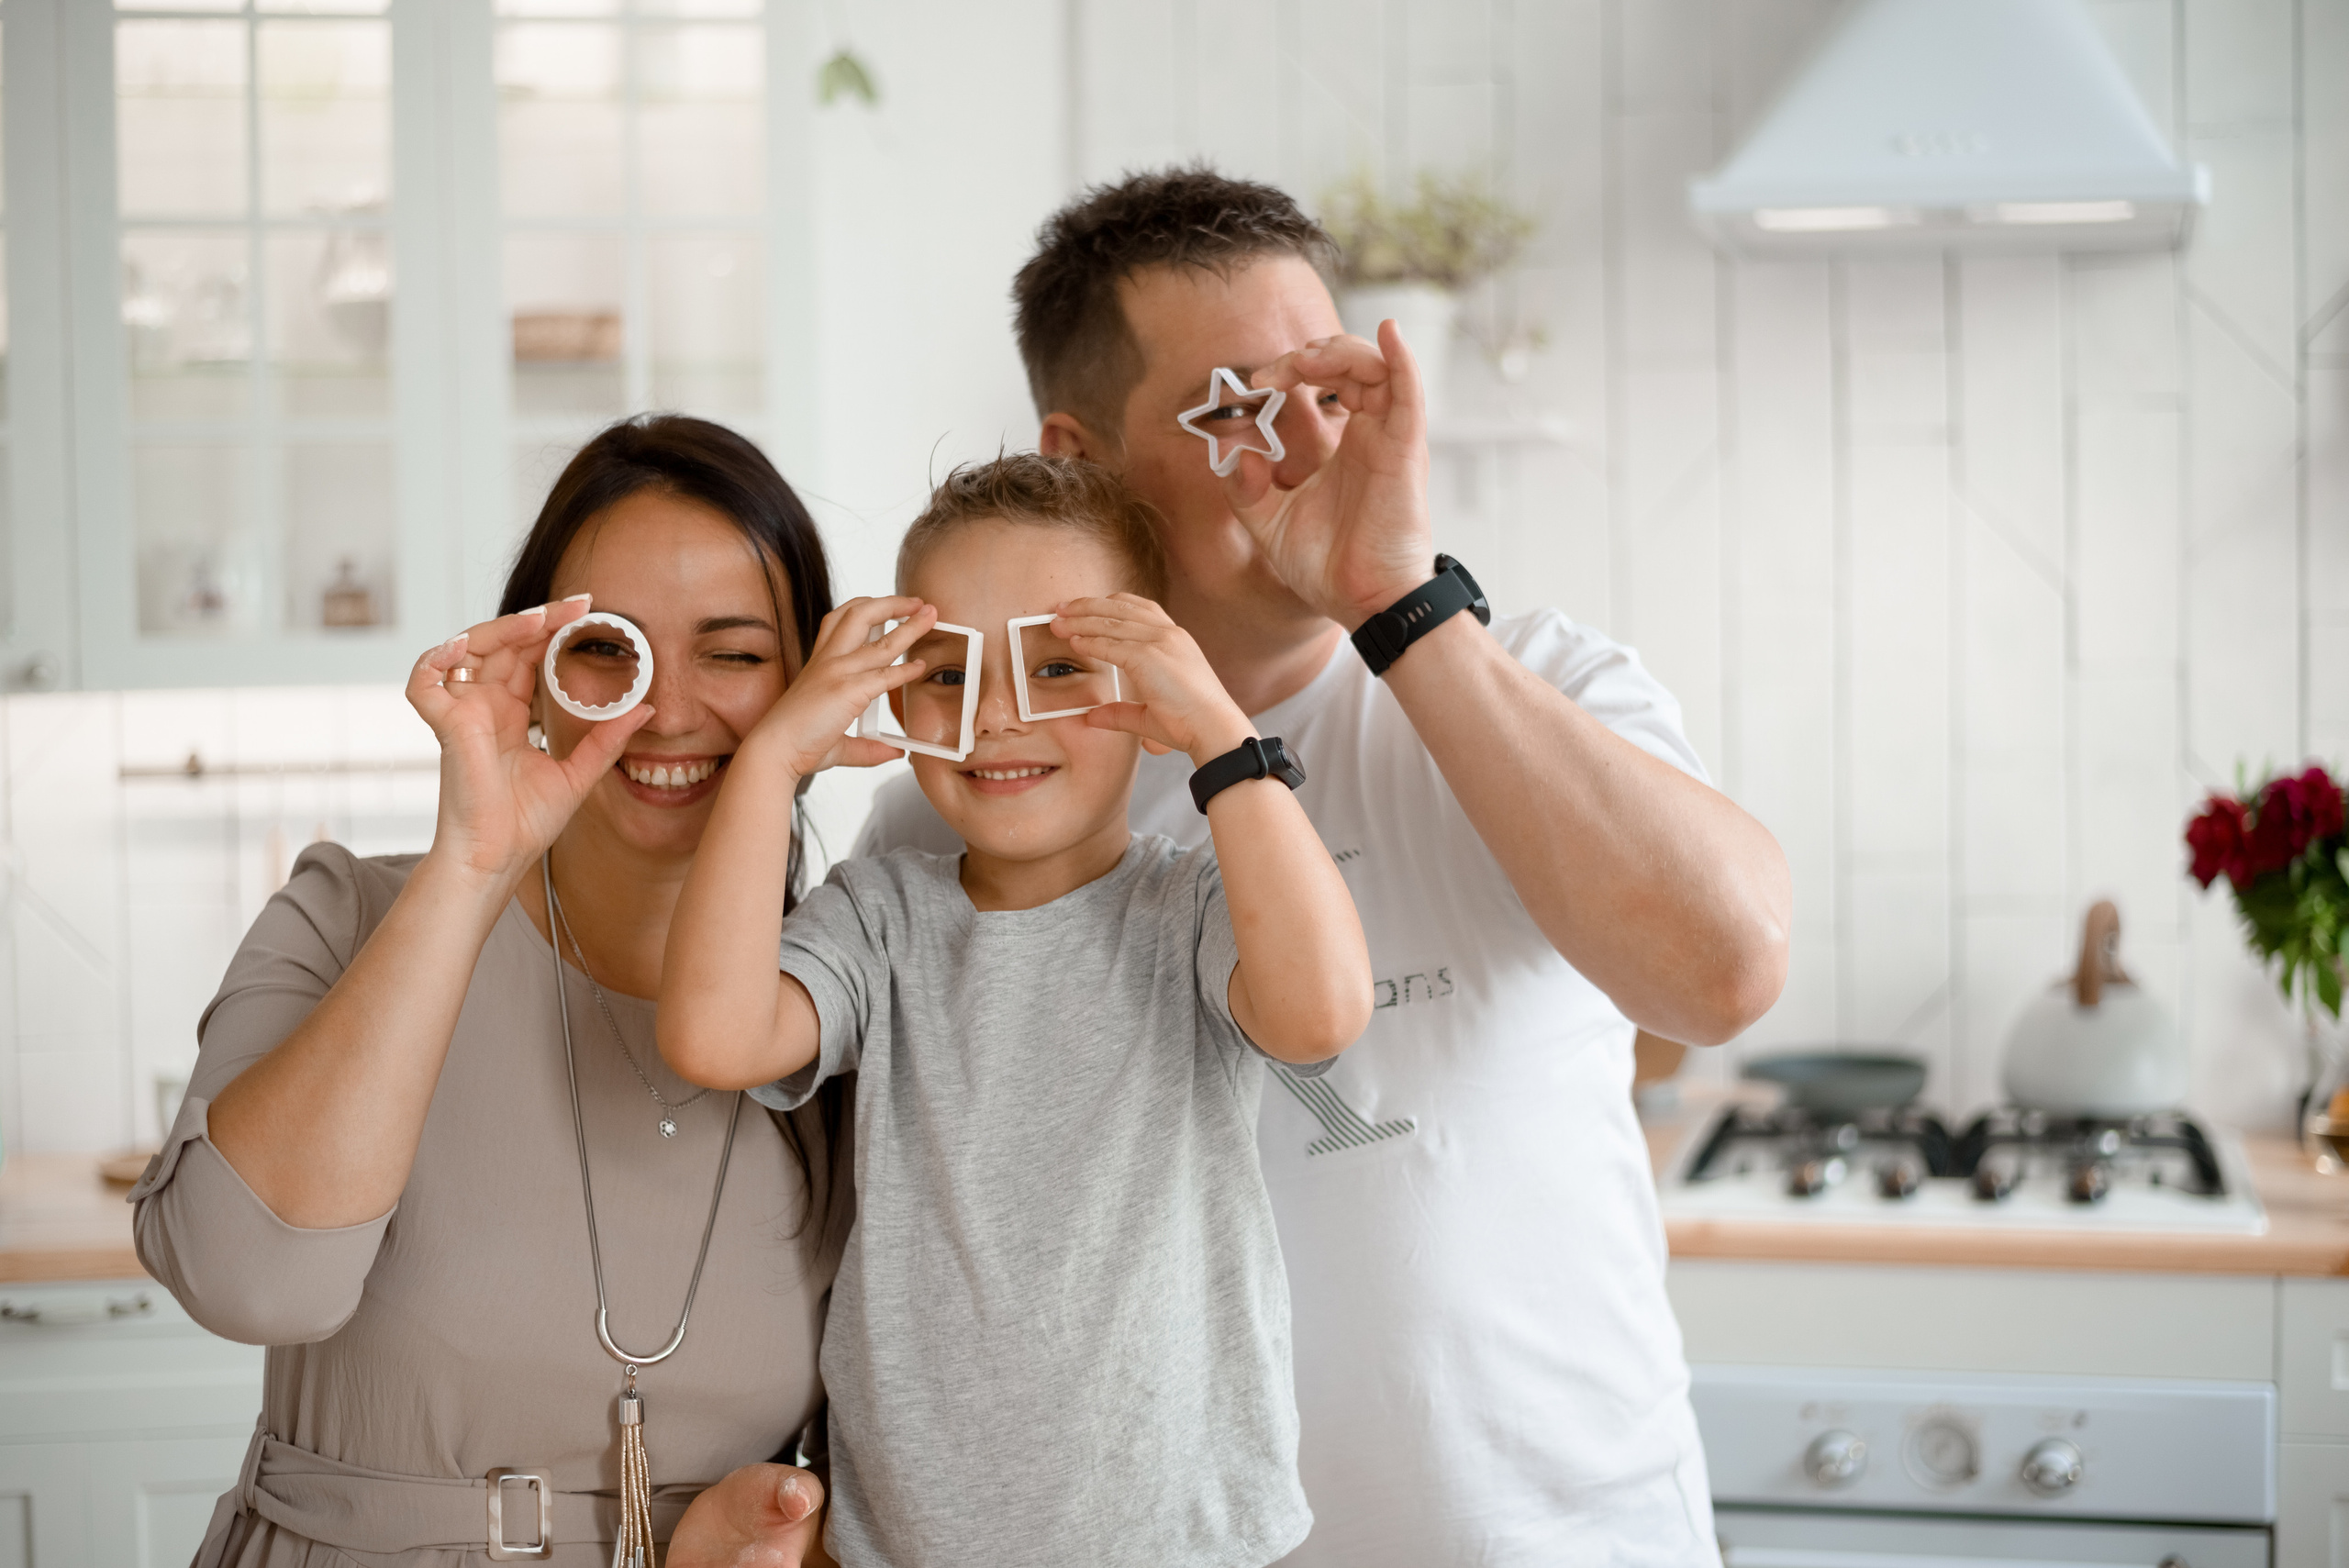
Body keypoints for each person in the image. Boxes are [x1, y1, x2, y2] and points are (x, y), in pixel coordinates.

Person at [855, 169, 1795, 1564]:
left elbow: (1724, 976)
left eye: (1326, 391)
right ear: (1082, 457)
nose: (1303, 443)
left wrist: (1395, 603)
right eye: (1234, 406)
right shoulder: (973, 805)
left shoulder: (1538, 677)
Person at [132, 416, 851, 1567]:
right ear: (535, 669)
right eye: (609, 649)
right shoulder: (350, 915)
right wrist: (470, 866)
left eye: (733, 654)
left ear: (812, 684)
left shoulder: (840, 1000)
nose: (665, 711)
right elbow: (247, 1281)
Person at [658, 452, 1374, 1568]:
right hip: (909, 1543)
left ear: (1151, 694)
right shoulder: (881, 916)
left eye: (1058, 666)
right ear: (896, 695)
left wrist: (1219, 734)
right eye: (947, 672)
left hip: (1182, 1541)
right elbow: (713, 1035)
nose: (995, 714)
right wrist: (771, 760)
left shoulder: (1191, 908)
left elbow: (1322, 1011)